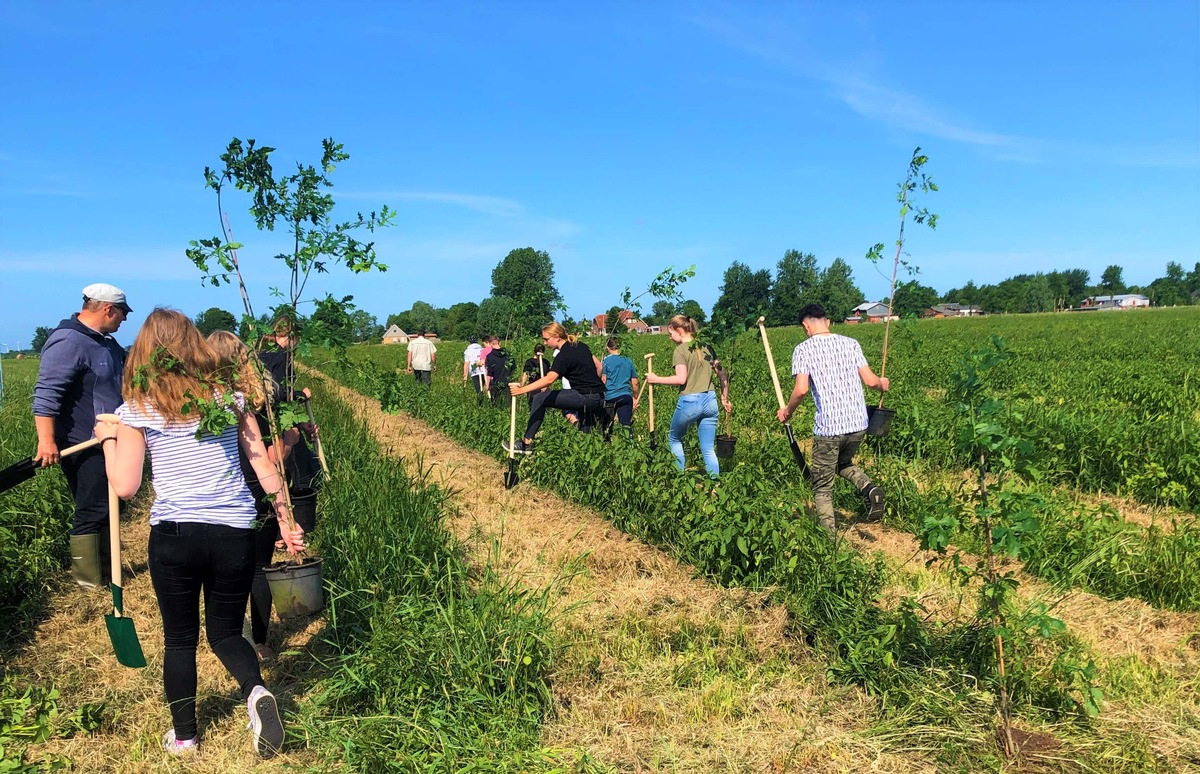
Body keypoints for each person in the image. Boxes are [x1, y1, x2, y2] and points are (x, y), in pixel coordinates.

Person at [95, 308, 303, 757]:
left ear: (146, 355)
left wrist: (109, 438)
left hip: (175, 535)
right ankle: (255, 692)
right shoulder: (230, 399)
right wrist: (286, 521)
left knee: (180, 639)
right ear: (195, 347)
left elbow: (126, 486)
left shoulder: (137, 410)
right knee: (226, 632)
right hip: (234, 531)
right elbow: (263, 465)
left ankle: (186, 736)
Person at [208, 331, 311, 665]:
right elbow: (271, 455)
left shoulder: (198, 406)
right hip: (256, 489)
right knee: (257, 568)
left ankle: (233, 637)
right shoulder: (259, 403)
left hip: (218, 496)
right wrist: (291, 439)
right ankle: (261, 641)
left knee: (223, 572)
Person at [32, 283, 131, 588]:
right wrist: (47, 440)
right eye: (122, 314)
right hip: (82, 443)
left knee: (112, 504)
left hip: (111, 441)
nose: (124, 321)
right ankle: (88, 582)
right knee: (92, 507)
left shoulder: (108, 344)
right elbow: (48, 394)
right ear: (107, 309)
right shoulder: (68, 341)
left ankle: (109, 572)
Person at [776, 303, 888, 531]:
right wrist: (881, 384)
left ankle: (828, 542)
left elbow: (801, 390)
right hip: (858, 424)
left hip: (829, 428)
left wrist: (787, 411)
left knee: (822, 486)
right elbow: (870, 381)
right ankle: (868, 487)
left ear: (805, 326)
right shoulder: (851, 344)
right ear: (827, 321)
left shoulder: (803, 349)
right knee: (842, 463)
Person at [644, 315, 731, 477]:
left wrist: (655, 379)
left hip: (690, 401)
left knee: (675, 438)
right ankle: (715, 484)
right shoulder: (707, 346)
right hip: (710, 399)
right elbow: (722, 374)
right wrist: (724, 398)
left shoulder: (680, 351)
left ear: (679, 330)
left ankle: (679, 478)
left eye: (671, 334)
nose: (670, 338)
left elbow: (680, 379)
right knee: (707, 447)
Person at [505, 322, 605, 453]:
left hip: (584, 397)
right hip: (599, 397)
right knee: (585, 439)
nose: (545, 343)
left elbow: (549, 379)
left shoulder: (563, 355)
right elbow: (599, 366)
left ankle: (526, 442)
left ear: (557, 336)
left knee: (539, 399)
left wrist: (521, 390)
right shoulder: (581, 346)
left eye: (546, 339)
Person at [600, 337, 639, 439]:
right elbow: (635, 383)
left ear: (608, 348)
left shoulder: (606, 361)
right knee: (626, 424)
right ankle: (628, 444)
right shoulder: (628, 360)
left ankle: (606, 444)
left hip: (610, 396)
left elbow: (603, 380)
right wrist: (635, 397)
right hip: (625, 396)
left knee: (607, 425)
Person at [484, 335, 513, 404]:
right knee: (508, 403)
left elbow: (490, 372)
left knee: (496, 403)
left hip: (496, 383)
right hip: (508, 382)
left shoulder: (490, 356)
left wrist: (487, 384)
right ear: (499, 343)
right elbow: (513, 368)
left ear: (491, 344)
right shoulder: (508, 354)